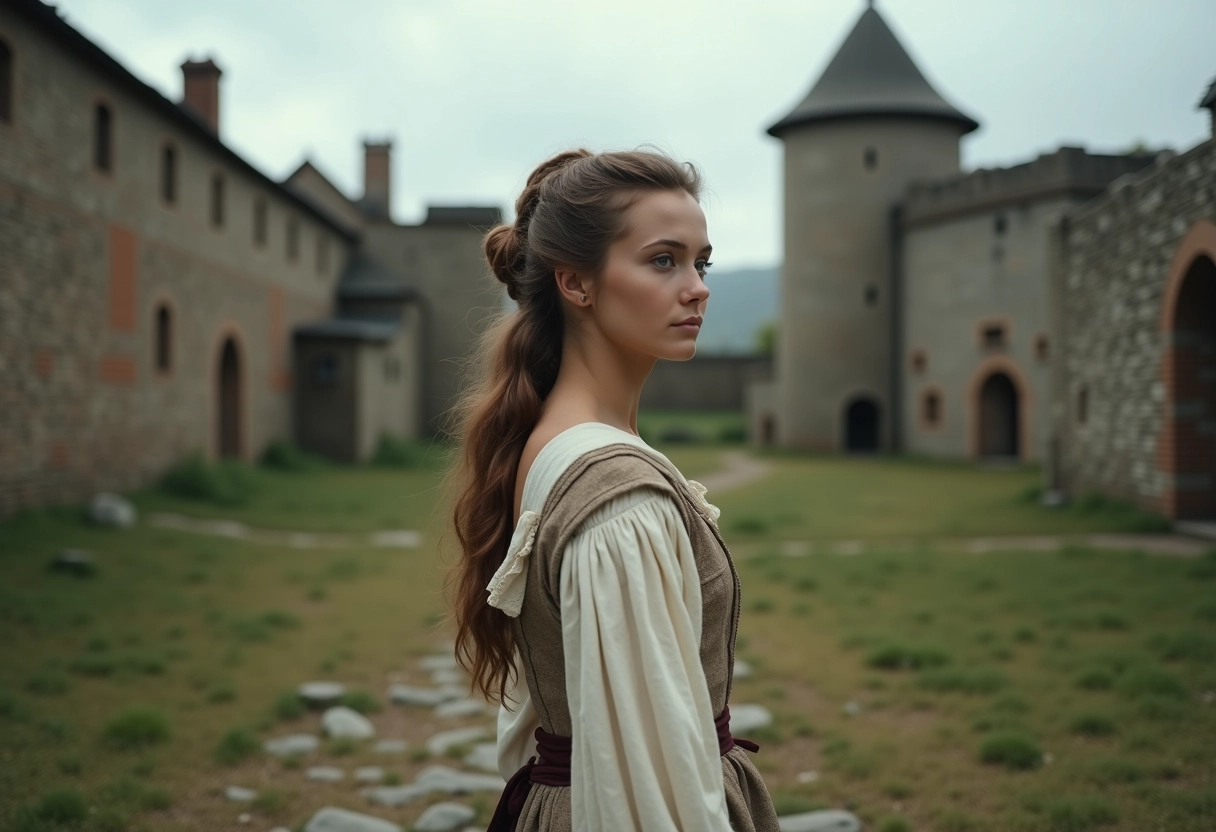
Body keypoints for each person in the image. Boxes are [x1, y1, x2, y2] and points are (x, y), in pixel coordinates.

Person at [445, 148, 779, 832]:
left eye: (702, 263)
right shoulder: (619, 502)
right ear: (576, 283)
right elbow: (649, 783)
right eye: (664, 261)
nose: (697, 288)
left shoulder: (551, 439)